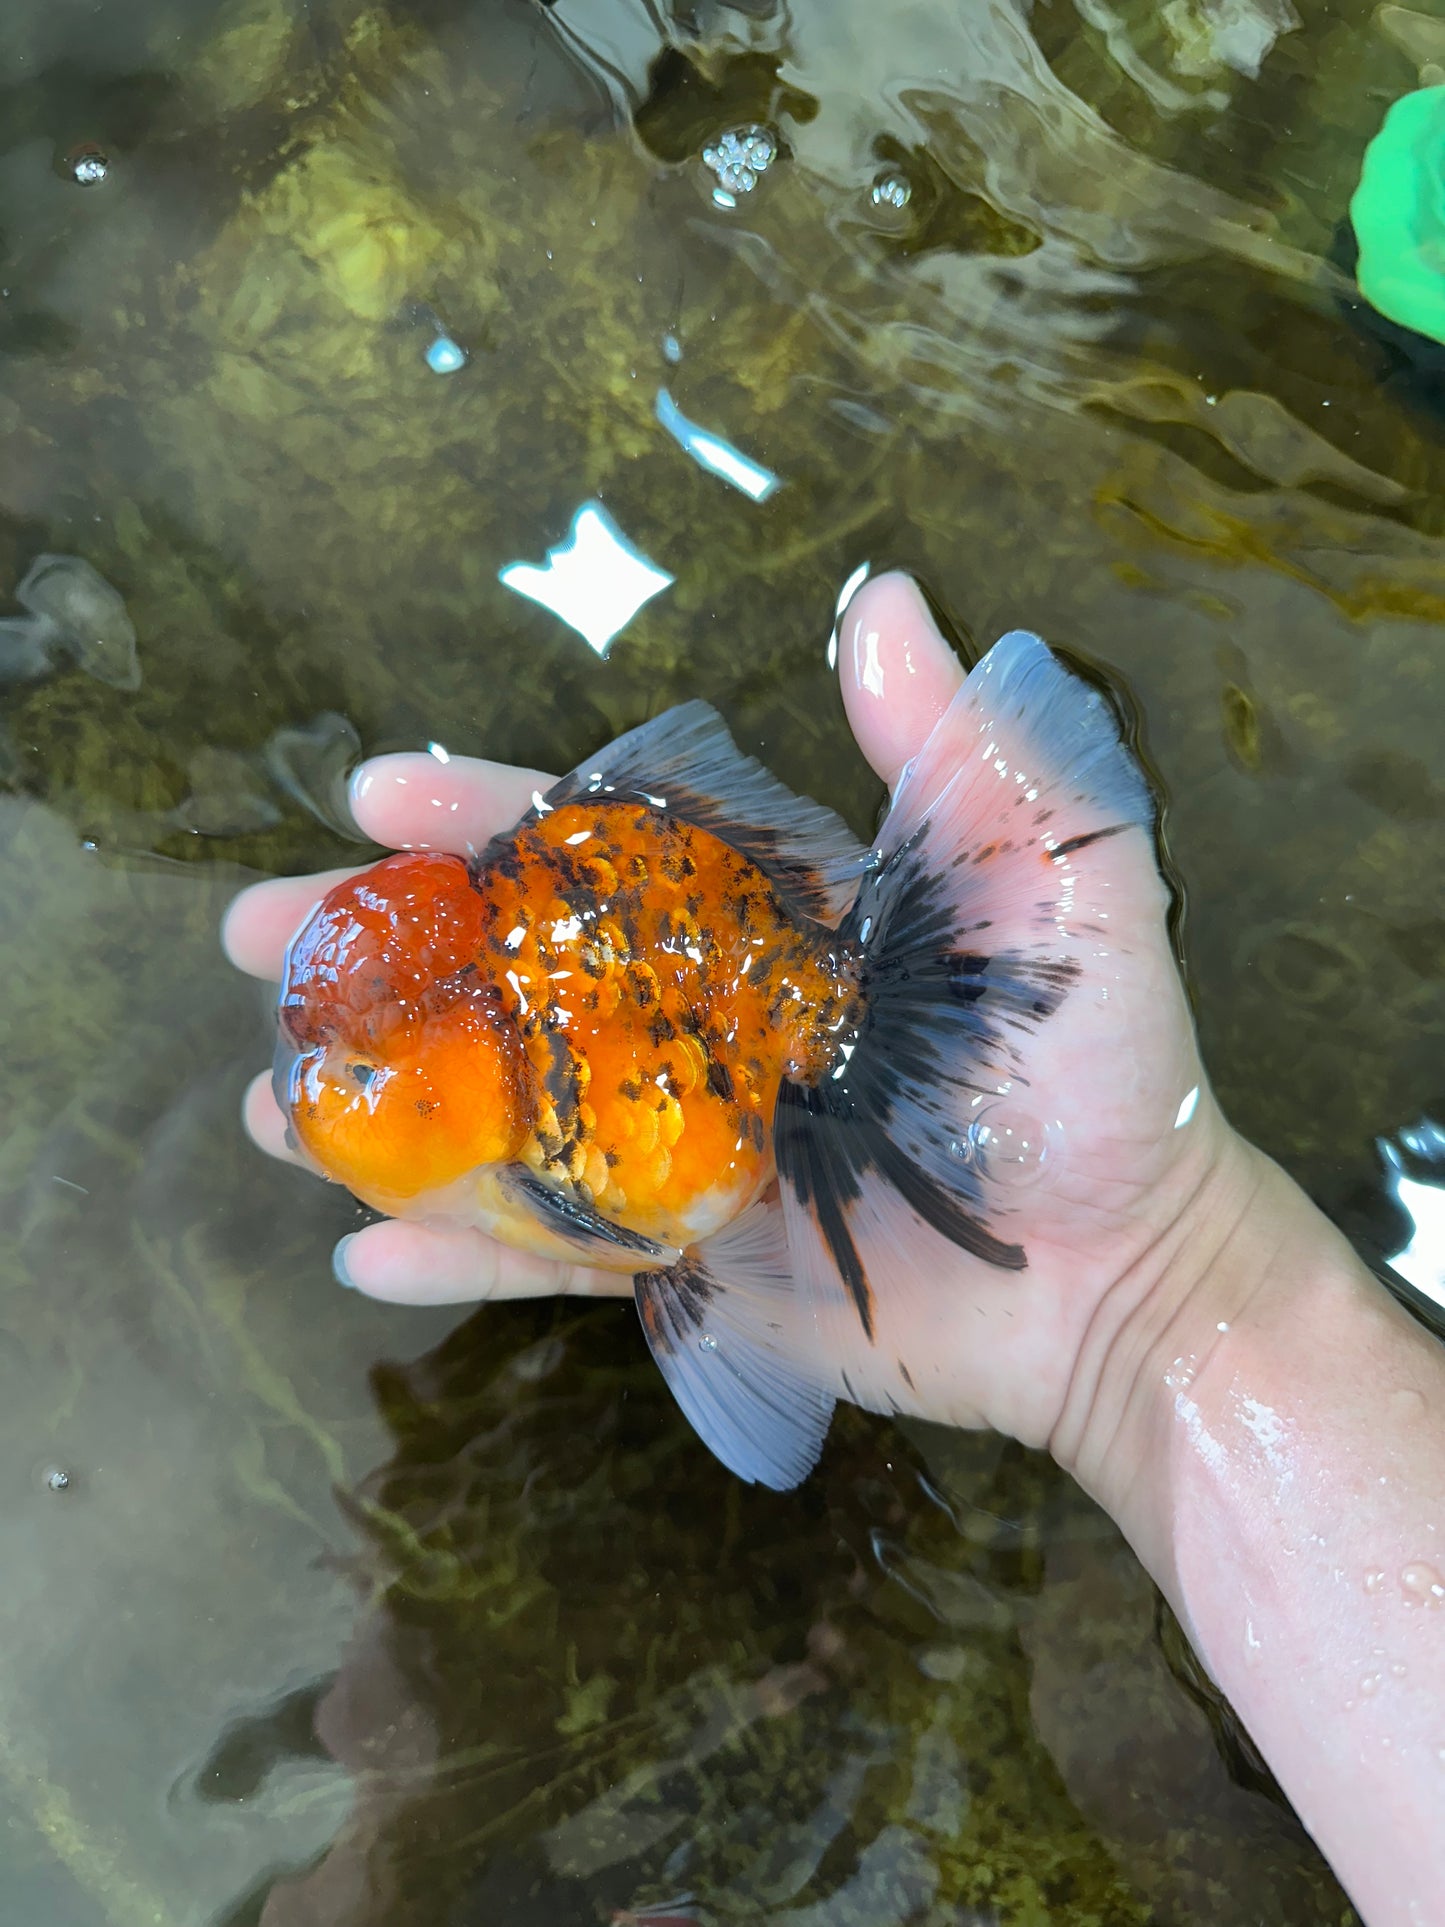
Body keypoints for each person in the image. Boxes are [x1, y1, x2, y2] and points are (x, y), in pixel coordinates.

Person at [224, 572, 1445, 1927]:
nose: (315, 1081)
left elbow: (666, 1236)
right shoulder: (484, 1081)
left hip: (729, 1065)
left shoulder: (556, 1113)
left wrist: (1159, 1293)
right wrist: (1168, 1309)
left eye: (357, 1064)